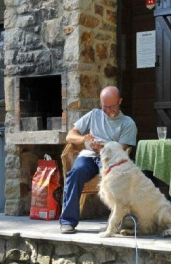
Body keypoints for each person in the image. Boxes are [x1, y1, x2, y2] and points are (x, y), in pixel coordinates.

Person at [59, 86, 138, 234]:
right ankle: (67, 221)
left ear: (120, 101)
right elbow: (70, 135)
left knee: (116, 180)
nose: (107, 110)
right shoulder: (94, 114)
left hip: (110, 159)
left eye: (111, 107)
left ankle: (120, 220)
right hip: (89, 156)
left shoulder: (128, 123)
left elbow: (121, 149)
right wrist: (84, 138)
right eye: (104, 107)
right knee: (75, 173)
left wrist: (101, 149)